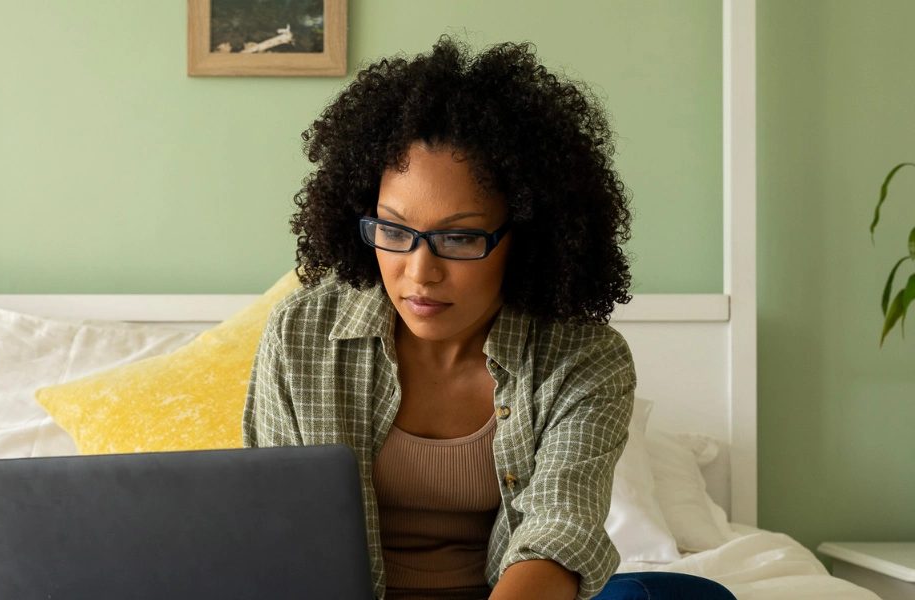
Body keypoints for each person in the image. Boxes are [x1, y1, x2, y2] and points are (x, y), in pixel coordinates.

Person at [241, 36, 736, 600]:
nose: (419, 273)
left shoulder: (583, 356)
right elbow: (276, 529)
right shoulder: (303, 332)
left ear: (525, 238)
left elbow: (560, 531)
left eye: (458, 237)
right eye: (394, 231)